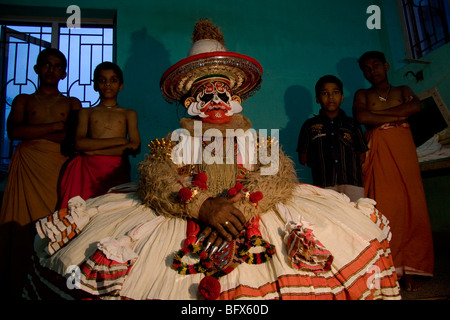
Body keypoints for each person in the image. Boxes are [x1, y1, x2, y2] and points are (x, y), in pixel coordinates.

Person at [25, 20, 400, 301]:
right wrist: (202, 206)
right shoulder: (178, 140)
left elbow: (278, 178)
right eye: (206, 93)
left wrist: (242, 205)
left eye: (223, 91)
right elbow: (156, 177)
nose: (216, 99)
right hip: (187, 218)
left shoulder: (258, 138)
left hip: (249, 216)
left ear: (236, 98)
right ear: (191, 102)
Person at [0, 48, 82, 299]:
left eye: (57, 66)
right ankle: (17, 284)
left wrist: (35, 129)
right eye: (46, 64)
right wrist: (57, 125)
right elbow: (14, 131)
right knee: (25, 227)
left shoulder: (72, 103)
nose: (51, 69)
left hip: (57, 170)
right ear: (37, 68)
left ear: (64, 73)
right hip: (28, 167)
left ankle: (51, 286)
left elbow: (72, 138)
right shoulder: (23, 100)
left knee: (54, 225)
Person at [353, 51, 434, 292]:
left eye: (376, 65)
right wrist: (399, 114)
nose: (372, 71)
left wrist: (381, 116)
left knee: (413, 204)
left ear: (386, 65)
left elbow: (416, 107)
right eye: (366, 69)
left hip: (403, 148)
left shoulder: (402, 89)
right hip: (378, 148)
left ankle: (412, 268)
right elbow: (361, 116)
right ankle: (392, 267)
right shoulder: (362, 95)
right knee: (387, 207)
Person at [58, 62, 141, 209]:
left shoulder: (129, 114)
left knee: (112, 211)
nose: (107, 84)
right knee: (83, 210)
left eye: (113, 80)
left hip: (116, 169)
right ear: (95, 85)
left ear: (121, 85)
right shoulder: (86, 113)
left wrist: (95, 151)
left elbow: (134, 146)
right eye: (102, 80)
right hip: (88, 170)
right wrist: (119, 141)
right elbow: (79, 144)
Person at [297, 75, 368, 202]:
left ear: (341, 97)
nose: (330, 97)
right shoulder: (310, 126)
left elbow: (362, 155)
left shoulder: (352, 124)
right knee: (329, 220)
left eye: (335, 92)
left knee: (356, 218)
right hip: (323, 185)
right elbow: (304, 158)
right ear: (317, 99)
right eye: (325, 93)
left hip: (353, 184)